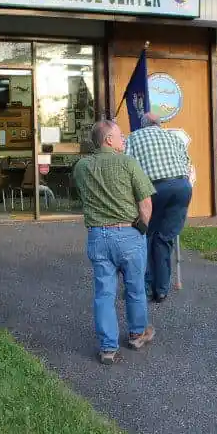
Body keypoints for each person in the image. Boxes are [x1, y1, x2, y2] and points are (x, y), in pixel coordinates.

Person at [72, 119, 157, 365]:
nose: (124, 140)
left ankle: (108, 347)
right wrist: (142, 227)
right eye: (120, 136)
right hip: (128, 233)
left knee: (104, 293)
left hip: (98, 235)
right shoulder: (128, 163)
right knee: (135, 288)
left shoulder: (81, 167)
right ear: (108, 139)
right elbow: (146, 202)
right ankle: (137, 333)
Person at [124, 112, 193, 302]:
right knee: (163, 239)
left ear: (143, 124)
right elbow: (187, 163)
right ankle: (161, 290)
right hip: (181, 187)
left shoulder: (134, 138)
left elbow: (128, 166)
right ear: (159, 124)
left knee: (144, 234)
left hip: (154, 189)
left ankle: (144, 286)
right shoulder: (173, 137)